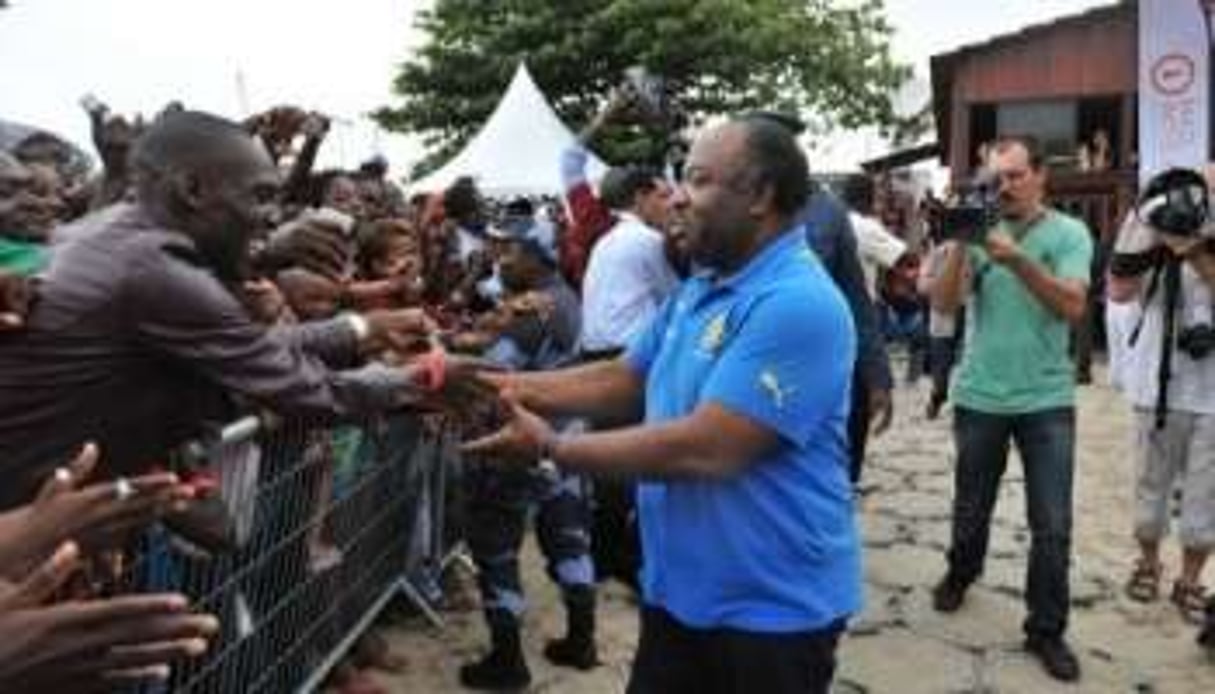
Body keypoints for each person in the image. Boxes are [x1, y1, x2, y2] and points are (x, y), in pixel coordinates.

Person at [465, 116, 860, 694]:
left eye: (698, 180)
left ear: (760, 196)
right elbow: (624, 376)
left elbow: (711, 448)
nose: (677, 196)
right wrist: (501, 387)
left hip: (770, 615)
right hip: (681, 595)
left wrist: (552, 447)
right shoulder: (704, 286)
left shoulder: (798, 303)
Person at [0, 110, 464, 510]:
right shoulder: (153, 269)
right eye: (260, 196)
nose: (268, 216)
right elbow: (316, 393)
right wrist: (423, 381)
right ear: (193, 189)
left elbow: (244, 345)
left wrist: (360, 328)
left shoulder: (105, 236)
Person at [929, 135, 1094, 682]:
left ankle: (1046, 629)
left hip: (1047, 396)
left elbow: (1072, 306)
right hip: (980, 394)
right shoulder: (979, 233)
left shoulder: (1070, 233)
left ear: (1042, 175)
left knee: (1052, 524)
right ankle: (961, 572)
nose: (1004, 188)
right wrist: (959, 241)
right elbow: (945, 304)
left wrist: (1018, 260)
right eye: (994, 180)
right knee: (971, 506)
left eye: (1014, 176)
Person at [458, 217, 597, 690]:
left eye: (511, 251)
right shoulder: (565, 298)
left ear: (540, 258)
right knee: (570, 539)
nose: (501, 258)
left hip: (517, 445)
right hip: (566, 441)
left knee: (496, 550)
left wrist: (444, 348)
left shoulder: (534, 311)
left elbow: (485, 374)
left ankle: (507, 662)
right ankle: (582, 641)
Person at [1106, 169, 1215, 624]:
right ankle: (1148, 562)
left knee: (1206, 494)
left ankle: (1191, 579)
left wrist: (1195, 251)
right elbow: (1118, 289)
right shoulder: (1150, 223)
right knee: (1150, 483)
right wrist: (1151, 232)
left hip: (1212, 395)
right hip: (1158, 384)